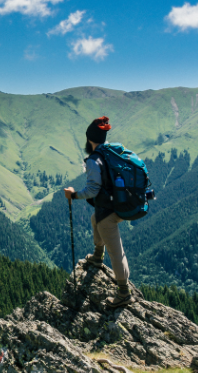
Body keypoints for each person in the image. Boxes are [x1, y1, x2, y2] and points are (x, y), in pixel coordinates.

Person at [64, 116, 133, 308]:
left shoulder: (95, 160)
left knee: (116, 251)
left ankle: (124, 293)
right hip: (120, 203)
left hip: (109, 211)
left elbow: (93, 190)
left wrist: (74, 195)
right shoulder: (111, 152)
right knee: (96, 219)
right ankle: (97, 256)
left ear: (89, 139)